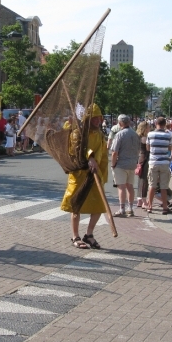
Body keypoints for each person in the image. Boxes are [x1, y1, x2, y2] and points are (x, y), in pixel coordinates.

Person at [61, 104, 108, 249]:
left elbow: (104, 155)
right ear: (87, 119)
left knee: (100, 206)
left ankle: (89, 234)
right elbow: (76, 147)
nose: (97, 121)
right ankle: (75, 236)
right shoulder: (78, 132)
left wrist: (103, 173)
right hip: (79, 173)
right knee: (76, 205)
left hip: (94, 174)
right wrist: (90, 156)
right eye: (94, 118)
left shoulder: (99, 134)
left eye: (98, 118)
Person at [110, 114, 141, 217]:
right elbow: (138, 150)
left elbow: (115, 152)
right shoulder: (135, 134)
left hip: (121, 163)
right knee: (130, 186)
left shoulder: (120, 134)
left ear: (120, 123)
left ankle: (122, 208)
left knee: (121, 186)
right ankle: (131, 208)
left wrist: (113, 164)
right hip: (132, 163)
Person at [146, 117, 172, 215]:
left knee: (152, 186)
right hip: (164, 163)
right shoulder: (168, 135)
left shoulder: (150, 134)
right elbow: (169, 148)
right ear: (165, 124)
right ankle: (165, 207)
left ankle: (150, 206)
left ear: (155, 123)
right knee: (164, 186)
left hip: (153, 162)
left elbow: (148, 148)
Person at [135, 121, 149, 210]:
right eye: (148, 127)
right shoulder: (144, 138)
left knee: (140, 180)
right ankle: (144, 200)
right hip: (146, 158)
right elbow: (149, 148)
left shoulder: (138, 137)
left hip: (140, 158)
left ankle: (139, 200)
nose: (150, 128)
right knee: (144, 180)